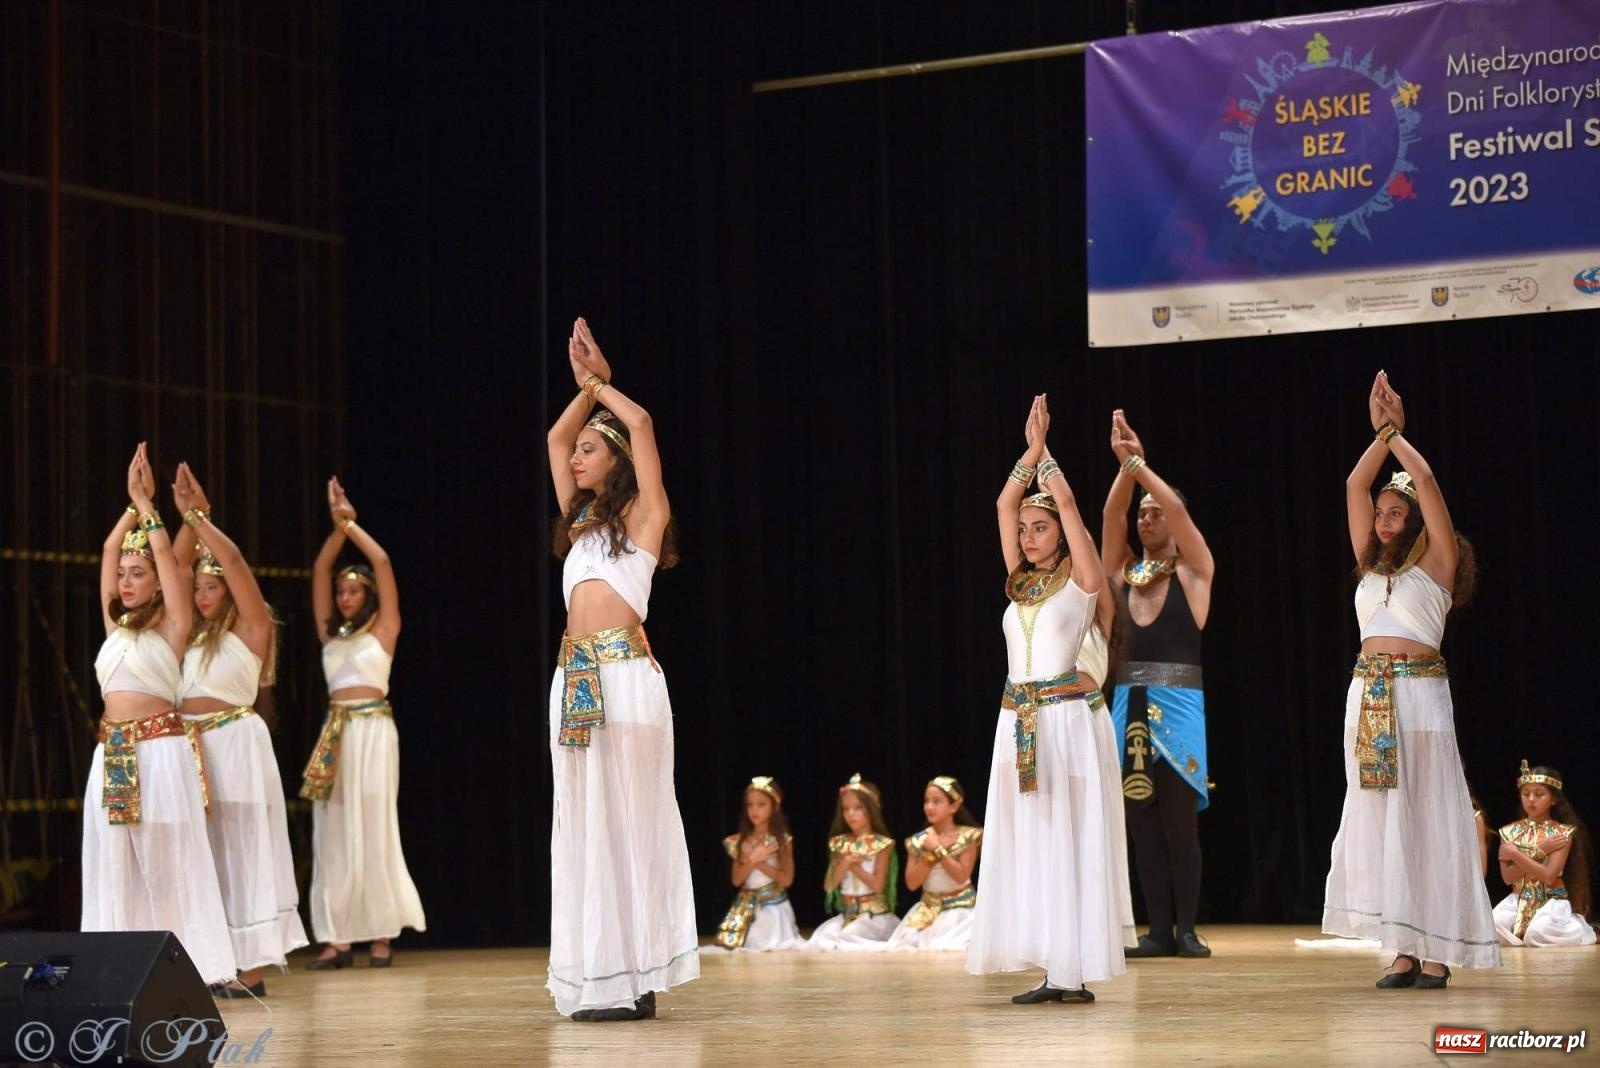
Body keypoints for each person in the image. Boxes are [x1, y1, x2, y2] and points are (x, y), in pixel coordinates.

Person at [1321, 371, 1499, 988]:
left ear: (1418, 520)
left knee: (1425, 814)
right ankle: (1399, 947)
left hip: (1420, 696)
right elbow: (1353, 483)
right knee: (1382, 819)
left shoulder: (1440, 563)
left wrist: (1396, 433)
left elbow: (1423, 480)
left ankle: (1437, 951)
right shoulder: (1368, 565)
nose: (1383, 517)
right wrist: (1378, 436)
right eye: (1380, 512)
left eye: (1395, 512)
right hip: (1367, 698)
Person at [546, 316, 698, 1021]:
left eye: (587, 450)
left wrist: (601, 383)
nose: (574, 457)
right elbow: (551, 438)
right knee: (584, 823)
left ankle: (638, 977)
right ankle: (599, 972)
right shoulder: (579, 523)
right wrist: (581, 394)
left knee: (632, 819)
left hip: (627, 679)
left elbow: (643, 426)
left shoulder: (645, 515)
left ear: (613, 459)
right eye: (575, 452)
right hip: (573, 679)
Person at [966, 394, 1124, 1005]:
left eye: (1041, 528)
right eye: (1026, 531)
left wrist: (1049, 464)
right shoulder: (1020, 585)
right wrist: (1027, 454)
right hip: (1016, 725)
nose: (1029, 536)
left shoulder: (1081, 584)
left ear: (1061, 533)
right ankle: (1051, 967)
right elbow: (1004, 503)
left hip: (1062, 723)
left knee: (1066, 838)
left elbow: (1067, 507)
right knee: (1030, 841)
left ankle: (1073, 971)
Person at [82, 443, 236, 986]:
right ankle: (120, 971)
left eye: (137, 573)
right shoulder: (115, 629)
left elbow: (171, 563)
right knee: (116, 867)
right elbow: (105, 548)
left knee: (169, 865)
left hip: (160, 752)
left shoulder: (172, 627)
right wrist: (132, 500)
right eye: (123, 574)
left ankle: (184, 971)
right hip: (114, 754)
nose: (125, 581)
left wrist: (151, 511)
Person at [172, 463, 308, 996]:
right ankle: (208, 959)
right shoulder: (184, 635)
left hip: (235, 741)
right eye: (199, 588)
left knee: (244, 846)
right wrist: (182, 523)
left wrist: (201, 518)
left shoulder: (250, 629)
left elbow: (232, 560)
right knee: (202, 851)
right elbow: (174, 571)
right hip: (189, 745)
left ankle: (249, 966)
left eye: (213, 587)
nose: (204, 594)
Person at [1103, 409, 1215, 959]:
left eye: (1156, 512)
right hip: (1127, 705)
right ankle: (1157, 931)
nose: (1146, 517)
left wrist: (1142, 467)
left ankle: (1188, 929)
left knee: (1178, 821)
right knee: (1141, 822)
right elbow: (1111, 512)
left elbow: (1170, 503)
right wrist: (1126, 469)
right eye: (1142, 514)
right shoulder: (1120, 574)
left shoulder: (1195, 572)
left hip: (1180, 703)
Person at [301, 477, 426, 969]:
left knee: (374, 825)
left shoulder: (385, 629)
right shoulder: (331, 634)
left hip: (374, 731)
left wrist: (351, 525)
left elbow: (382, 562)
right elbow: (318, 569)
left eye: (354, 591)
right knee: (332, 830)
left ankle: (379, 933)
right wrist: (335, 530)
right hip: (337, 732)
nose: (345, 596)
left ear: (369, 596)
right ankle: (336, 938)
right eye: (341, 591)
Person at [1492, 762, 1596, 947]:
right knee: (1492, 926)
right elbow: (1508, 878)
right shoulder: (1509, 832)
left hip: (1551, 901)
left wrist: (1519, 855)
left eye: (1539, 794)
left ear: (1553, 799)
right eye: (1526, 794)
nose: (1531, 799)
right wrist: (1539, 852)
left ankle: (1574, 929)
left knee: (1538, 933)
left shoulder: (1561, 833)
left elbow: (1548, 876)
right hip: (1518, 898)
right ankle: (1520, 934)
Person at [885, 776, 982, 951]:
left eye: (937, 802)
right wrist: (930, 854)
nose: (929, 806)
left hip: (961, 910)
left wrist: (938, 849)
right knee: (907, 944)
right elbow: (912, 883)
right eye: (927, 801)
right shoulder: (919, 841)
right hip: (928, 909)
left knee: (949, 946)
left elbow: (961, 876)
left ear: (954, 806)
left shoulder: (967, 837)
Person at [711, 776, 801, 951]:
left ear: (774, 806)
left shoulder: (781, 841)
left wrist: (759, 862)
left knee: (763, 940)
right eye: (750, 805)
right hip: (745, 906)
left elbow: (787, 879)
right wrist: (753, 859)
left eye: (761, 804)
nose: (754, 810)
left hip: (774, 906)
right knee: (738, 945)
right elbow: (737, 880)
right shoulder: (739, 841)